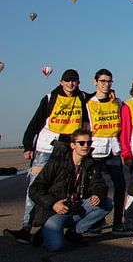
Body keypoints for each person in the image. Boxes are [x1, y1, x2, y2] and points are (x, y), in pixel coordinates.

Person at [6, 69, 89, 245]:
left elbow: (97, 96)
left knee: (65, 185)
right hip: (46, 147)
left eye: (74, 81)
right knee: (35, 185)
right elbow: (36, 121)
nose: (70, 84)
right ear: (61, 82)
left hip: (67, 148)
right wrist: (28, 145)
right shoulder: (50, 97)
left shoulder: (81, 97)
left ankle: (56, 223)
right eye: (67, 81)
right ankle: (26, 227)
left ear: (78, 83)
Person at [28, 129, 112, 252]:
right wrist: (54, 204)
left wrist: (97, 194)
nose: (86, 146)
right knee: (56, 247)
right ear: (73, 145)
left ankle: (74, 233)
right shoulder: (57, 163)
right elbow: (34, 189)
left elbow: (100, 185)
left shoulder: (90, 164)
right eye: (81, 143)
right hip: (55, 211)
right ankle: (43, 232)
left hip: (76, 207)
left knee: (107, 203)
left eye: (89, 143)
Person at [86, 69, 128, 234]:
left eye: (109, 81)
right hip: (95, 151)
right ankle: (96, 222)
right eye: (103, 81)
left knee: (120, 186)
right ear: (95, 82)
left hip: (113, 150)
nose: (106, 84)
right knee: (96, 188)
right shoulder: (89, 104)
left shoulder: (117, 102)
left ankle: (118, 222)